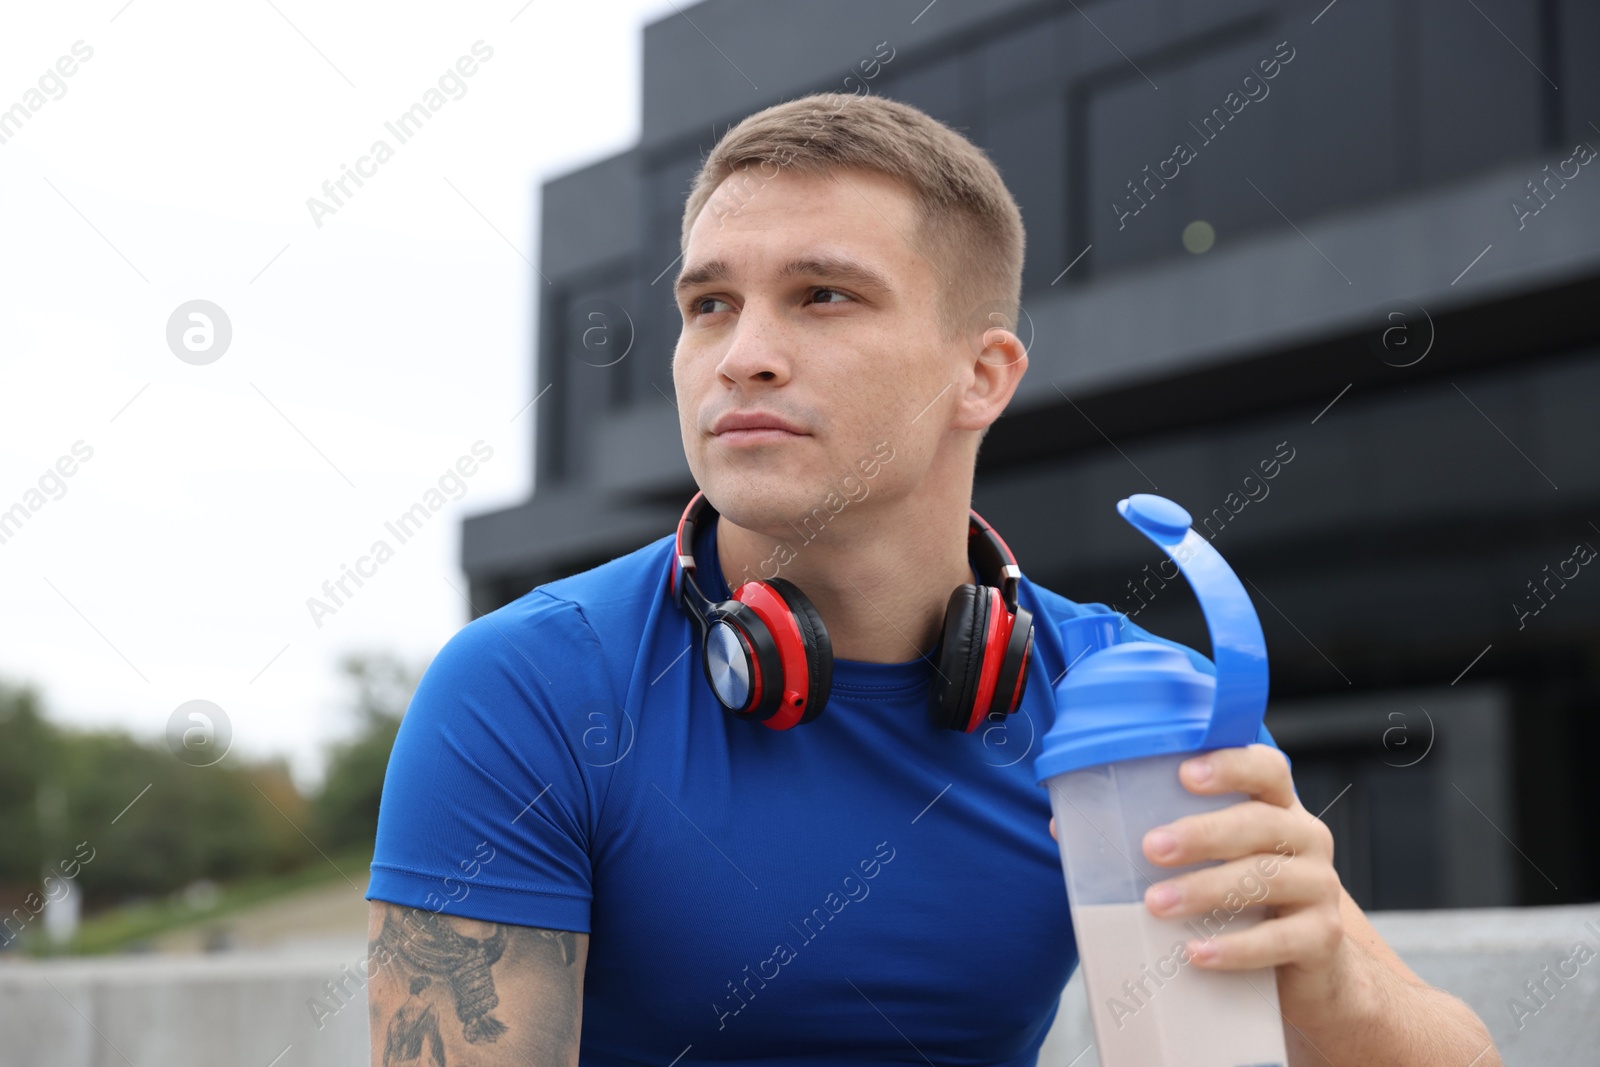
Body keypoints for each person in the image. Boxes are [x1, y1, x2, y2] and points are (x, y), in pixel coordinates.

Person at [365, 92, 1499, 1066]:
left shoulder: (1128, 696)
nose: (740, 351)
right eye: (709, 302)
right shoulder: (529, 687)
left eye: (823, 295)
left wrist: (1329, 971)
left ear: (982, 373)